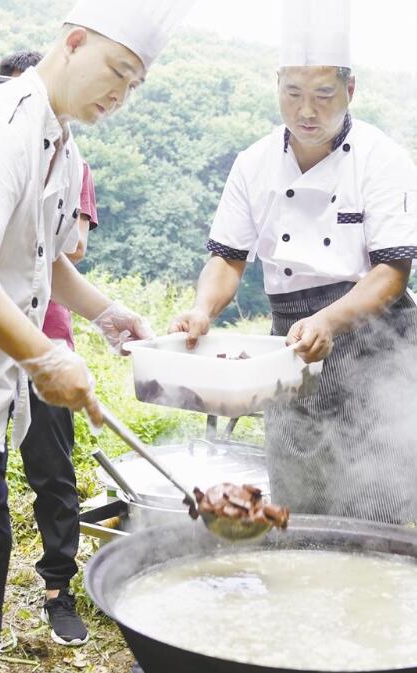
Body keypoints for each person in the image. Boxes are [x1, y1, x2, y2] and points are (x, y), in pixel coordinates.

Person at [0, 2, 195, 672]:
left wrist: (105, 312)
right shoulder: (2, 123)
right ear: (73, 42)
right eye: (118, 72)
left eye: (135, 85)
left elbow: (45, 257)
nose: (121, 95)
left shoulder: (62, 147)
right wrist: (43, 356)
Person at [171, 0, 417, 526]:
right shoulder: (253, 163)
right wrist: (202, 309)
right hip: (289, 349)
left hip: (377, 349)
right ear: (277, 85)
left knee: (372, 515)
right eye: (293, 94)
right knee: (297, 507)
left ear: (351, 91)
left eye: (324, 95)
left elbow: (392, 272)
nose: (307, 111)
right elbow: (227, 258)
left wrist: (329, 320)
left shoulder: (383, 157)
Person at [0, 49, 99, 647]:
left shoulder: (71, 159)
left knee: (54, 474)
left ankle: (59, 590)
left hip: (49, 341)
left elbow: (70, 250)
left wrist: (110, 312)